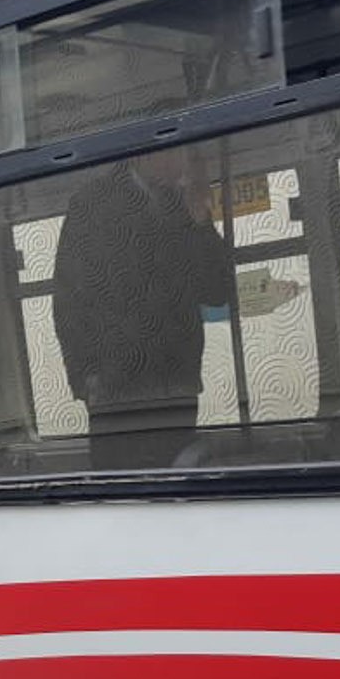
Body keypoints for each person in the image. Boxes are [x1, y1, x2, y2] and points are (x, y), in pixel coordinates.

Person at [51, 143, 235, 470]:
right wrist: (87, 378)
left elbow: (216, 291)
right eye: (185, 154)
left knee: (177, 484)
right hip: (115, 389)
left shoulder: (182, 206)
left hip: (175, 385)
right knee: (122, 491)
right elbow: (69, 298)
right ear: (149, 152)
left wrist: (200, 218)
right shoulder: (93, 203)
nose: (190, 166)